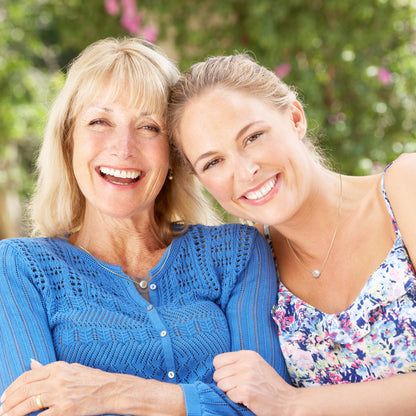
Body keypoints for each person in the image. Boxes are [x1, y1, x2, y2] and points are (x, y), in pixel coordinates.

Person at [0, 41, 290, 416]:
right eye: (99, 122)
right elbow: (28, 410)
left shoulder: (235, 252)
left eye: (148, 126)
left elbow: (269, 407)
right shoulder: (22, 266)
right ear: (68, 140)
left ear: (173, 153)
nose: (123, 147)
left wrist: (114, 392)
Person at [167, 53, 416, 415]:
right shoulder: (251, 264)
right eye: (213, 162)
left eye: (253, 137)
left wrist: (294, 404)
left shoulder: (404, 189)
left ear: (295, 118)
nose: (246, 170)